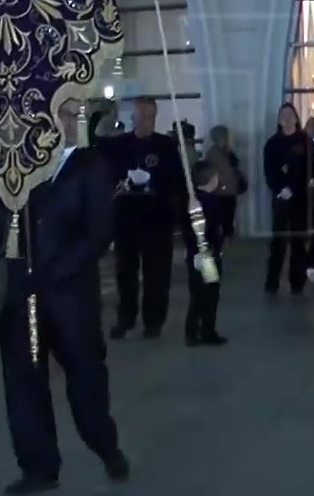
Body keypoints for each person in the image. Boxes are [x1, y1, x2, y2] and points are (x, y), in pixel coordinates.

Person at [0, 97, 129, 496]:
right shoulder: (24, 166)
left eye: (73, 115)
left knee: (86, 380)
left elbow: (98, 233)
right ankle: (39, 467)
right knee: (25, 380)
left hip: (70, 297)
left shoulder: (91, 166)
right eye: (60, 114)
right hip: (25, 297)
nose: (66, 122)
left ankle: (104, 444)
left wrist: (56, 274)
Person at [97, 97, 185, 339]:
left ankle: (154, 321)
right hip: (127, 221)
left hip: (157, 220)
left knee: (157, 275)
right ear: (133, 117)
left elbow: (176, 179)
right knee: (125, 274)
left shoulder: (166, 146)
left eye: (150, 116)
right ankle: (125, 318)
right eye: (141, 115)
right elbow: (94, 147)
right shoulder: (119, 146)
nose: (146, 121)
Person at [261, 104, 313, 294]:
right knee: (278, 241)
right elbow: (269, 171)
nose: (288, 119)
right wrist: (280, 189)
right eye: (284, 115)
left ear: (297, 118)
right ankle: (272, 281)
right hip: (280, 199)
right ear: (279, 120)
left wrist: (295, 188)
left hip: (300, 198)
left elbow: (310, 169)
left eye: (291, 115)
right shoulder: (272, 144)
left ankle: (297, 282)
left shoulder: (306, 142)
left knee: (299, 242)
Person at [181, 161, 230, 347]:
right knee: (208, 294)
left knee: (200, 295)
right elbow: (210, 230)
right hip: (206, 255)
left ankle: (196, 331)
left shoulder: (193, 200)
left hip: (197, 254)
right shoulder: (208, 202)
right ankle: (202, 331)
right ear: (211, 180)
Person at [202, 125, 244, 237]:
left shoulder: (225, 152)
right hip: (221, 193)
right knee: (220, 222)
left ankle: (223, 245)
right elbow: (224, 172)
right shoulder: (215, 153)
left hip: (228, 192)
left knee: (227, 221)